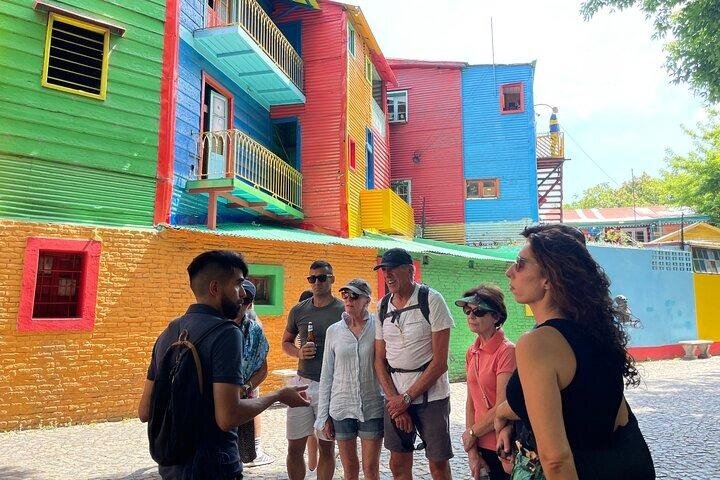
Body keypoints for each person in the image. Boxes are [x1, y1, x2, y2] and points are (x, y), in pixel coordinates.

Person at [495, 225, 655, 479]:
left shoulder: (538, 343)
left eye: (520, 264)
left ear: (548, 278)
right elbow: (580, 402)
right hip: (629, 463)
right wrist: (501, 413)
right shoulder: (595, 329)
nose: (509, 271)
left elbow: (556, 460)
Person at [138, 250, 308, 479]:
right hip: (214, 465)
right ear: (215, 288)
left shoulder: (168, 332)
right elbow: (228, 416)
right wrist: (277, 396)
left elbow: (144, 411)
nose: (242, 294)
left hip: (172, 464)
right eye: (238, 284)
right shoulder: (226, 333)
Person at [372, 248, 455, 480]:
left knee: (438, 464)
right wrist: (395, 401)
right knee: (398, 463)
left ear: (411, 270)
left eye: (393, 269)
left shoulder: (432, 300)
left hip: (432, 398)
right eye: (384, 270)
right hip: (395, 396)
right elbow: (379, 360)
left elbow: (440, 362)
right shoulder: (382, 306)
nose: (387, 275)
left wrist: (406, 399)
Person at [282, 260, 345, 480]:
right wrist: (298, 353)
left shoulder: (342, 310)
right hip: (302, 385)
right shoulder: (299, 310)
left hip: (331, 387)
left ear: (332, 279)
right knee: (294, 447)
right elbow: (286, 342)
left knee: (326, 447)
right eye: (312, 278)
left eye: (321, 278)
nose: (316, 282)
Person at [315, 279, 384, 480]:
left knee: (371, 468)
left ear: (367, 300)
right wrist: (323, 416)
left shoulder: (378, 327)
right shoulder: (334, 331)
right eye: (345, 295)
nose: (348, 300)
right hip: (341, 407)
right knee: (350, 469)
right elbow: (327, 374)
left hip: (372, 406)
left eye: (354, 296)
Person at [456, 285, 515, 480]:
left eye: (479, 311)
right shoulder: (472, 352)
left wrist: (472, 432)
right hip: (479, 443)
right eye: (468, 311)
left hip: (503, 443)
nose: (471, 316)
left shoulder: (507, 351)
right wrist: (472, 450)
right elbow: (470, 401)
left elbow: (502, 405)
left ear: (496, 317)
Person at [234, 279, 274, 467]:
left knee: (242, 454)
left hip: (243, 397)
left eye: (245, 300)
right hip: (213, 402)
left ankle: (255, 450)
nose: (240, 303)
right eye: (238, 298)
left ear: (250, 304)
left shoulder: (254, 329)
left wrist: (246, 387)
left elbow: (263, 369)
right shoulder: (215, 326)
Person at [297, 289, 319, 475]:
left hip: (305, 377)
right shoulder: (305, 327)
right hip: (307, 377)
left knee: (313, 428)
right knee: (314, 427)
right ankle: (313, 461)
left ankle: (313, 461)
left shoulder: (304, 326)